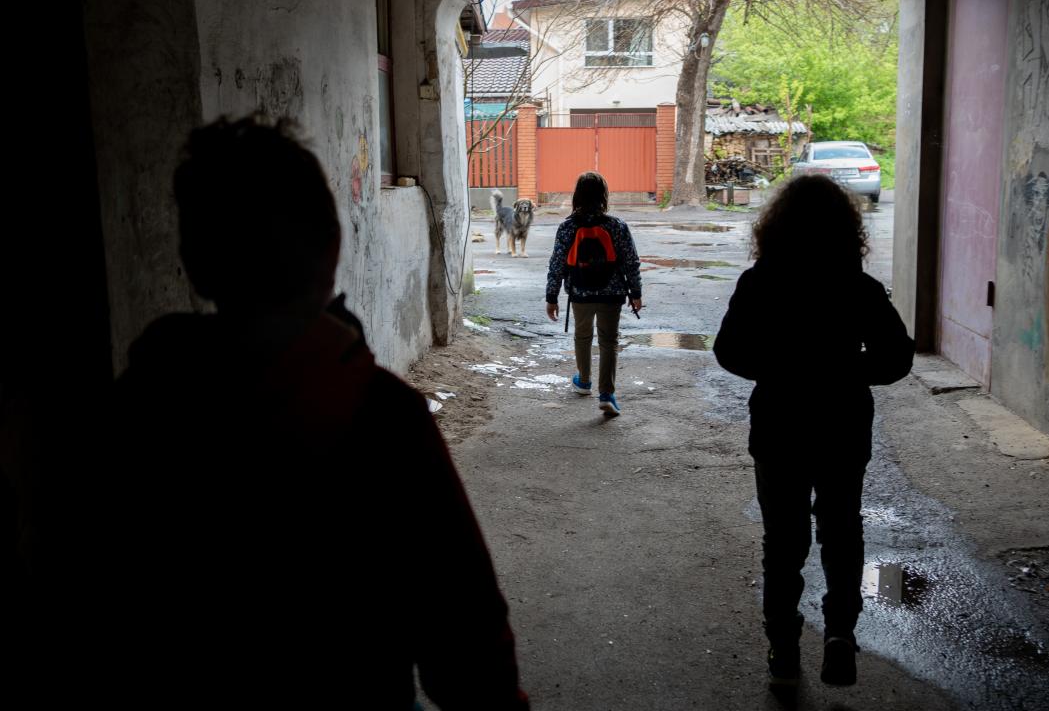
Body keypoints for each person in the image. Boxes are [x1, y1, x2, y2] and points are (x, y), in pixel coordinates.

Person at [74, 115, 528, 708]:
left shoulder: (136, 405)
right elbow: (464, 633)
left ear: (193, 259)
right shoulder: (383, 419)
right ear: (334, 245)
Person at [713, 175, 914, 689]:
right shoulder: (858, 287)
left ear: (774, 227)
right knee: (842, 531)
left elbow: (729, 352)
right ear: (847, 230)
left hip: (779, 422)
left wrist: (779, 368)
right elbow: (896, 358)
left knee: (783, 541)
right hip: (843, 423)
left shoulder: (759, 283)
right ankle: (840, 636)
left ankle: (783, 650)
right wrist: (847, 370)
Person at [545, 171, 643, 416]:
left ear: (577, 195)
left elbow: (557, 263)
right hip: (612, 293)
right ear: (603, 196)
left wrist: (552, 296)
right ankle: (607, 394)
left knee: (583, 336)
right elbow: (631, 261)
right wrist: (636, 292)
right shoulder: (616, 226)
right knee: (609, 341)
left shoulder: (567, 226)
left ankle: (584, 381)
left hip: (580, 292)